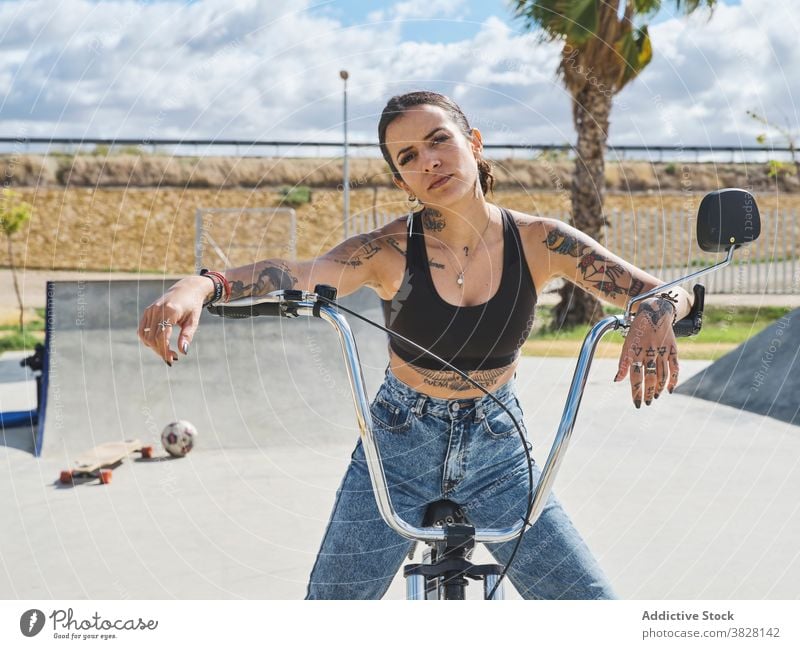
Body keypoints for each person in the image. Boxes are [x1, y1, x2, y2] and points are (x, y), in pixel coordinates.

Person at [138, 90, 693, 599]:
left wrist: (656, 310)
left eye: (438, 141)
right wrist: (204, 283)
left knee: (596, 609)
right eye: (407, 157)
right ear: (402, 182)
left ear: (473, 144)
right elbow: (300, 272)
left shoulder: (540, 240)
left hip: (500, 449)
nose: (428, 162)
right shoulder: (385, 251)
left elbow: (671, 290)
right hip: (399, 445)